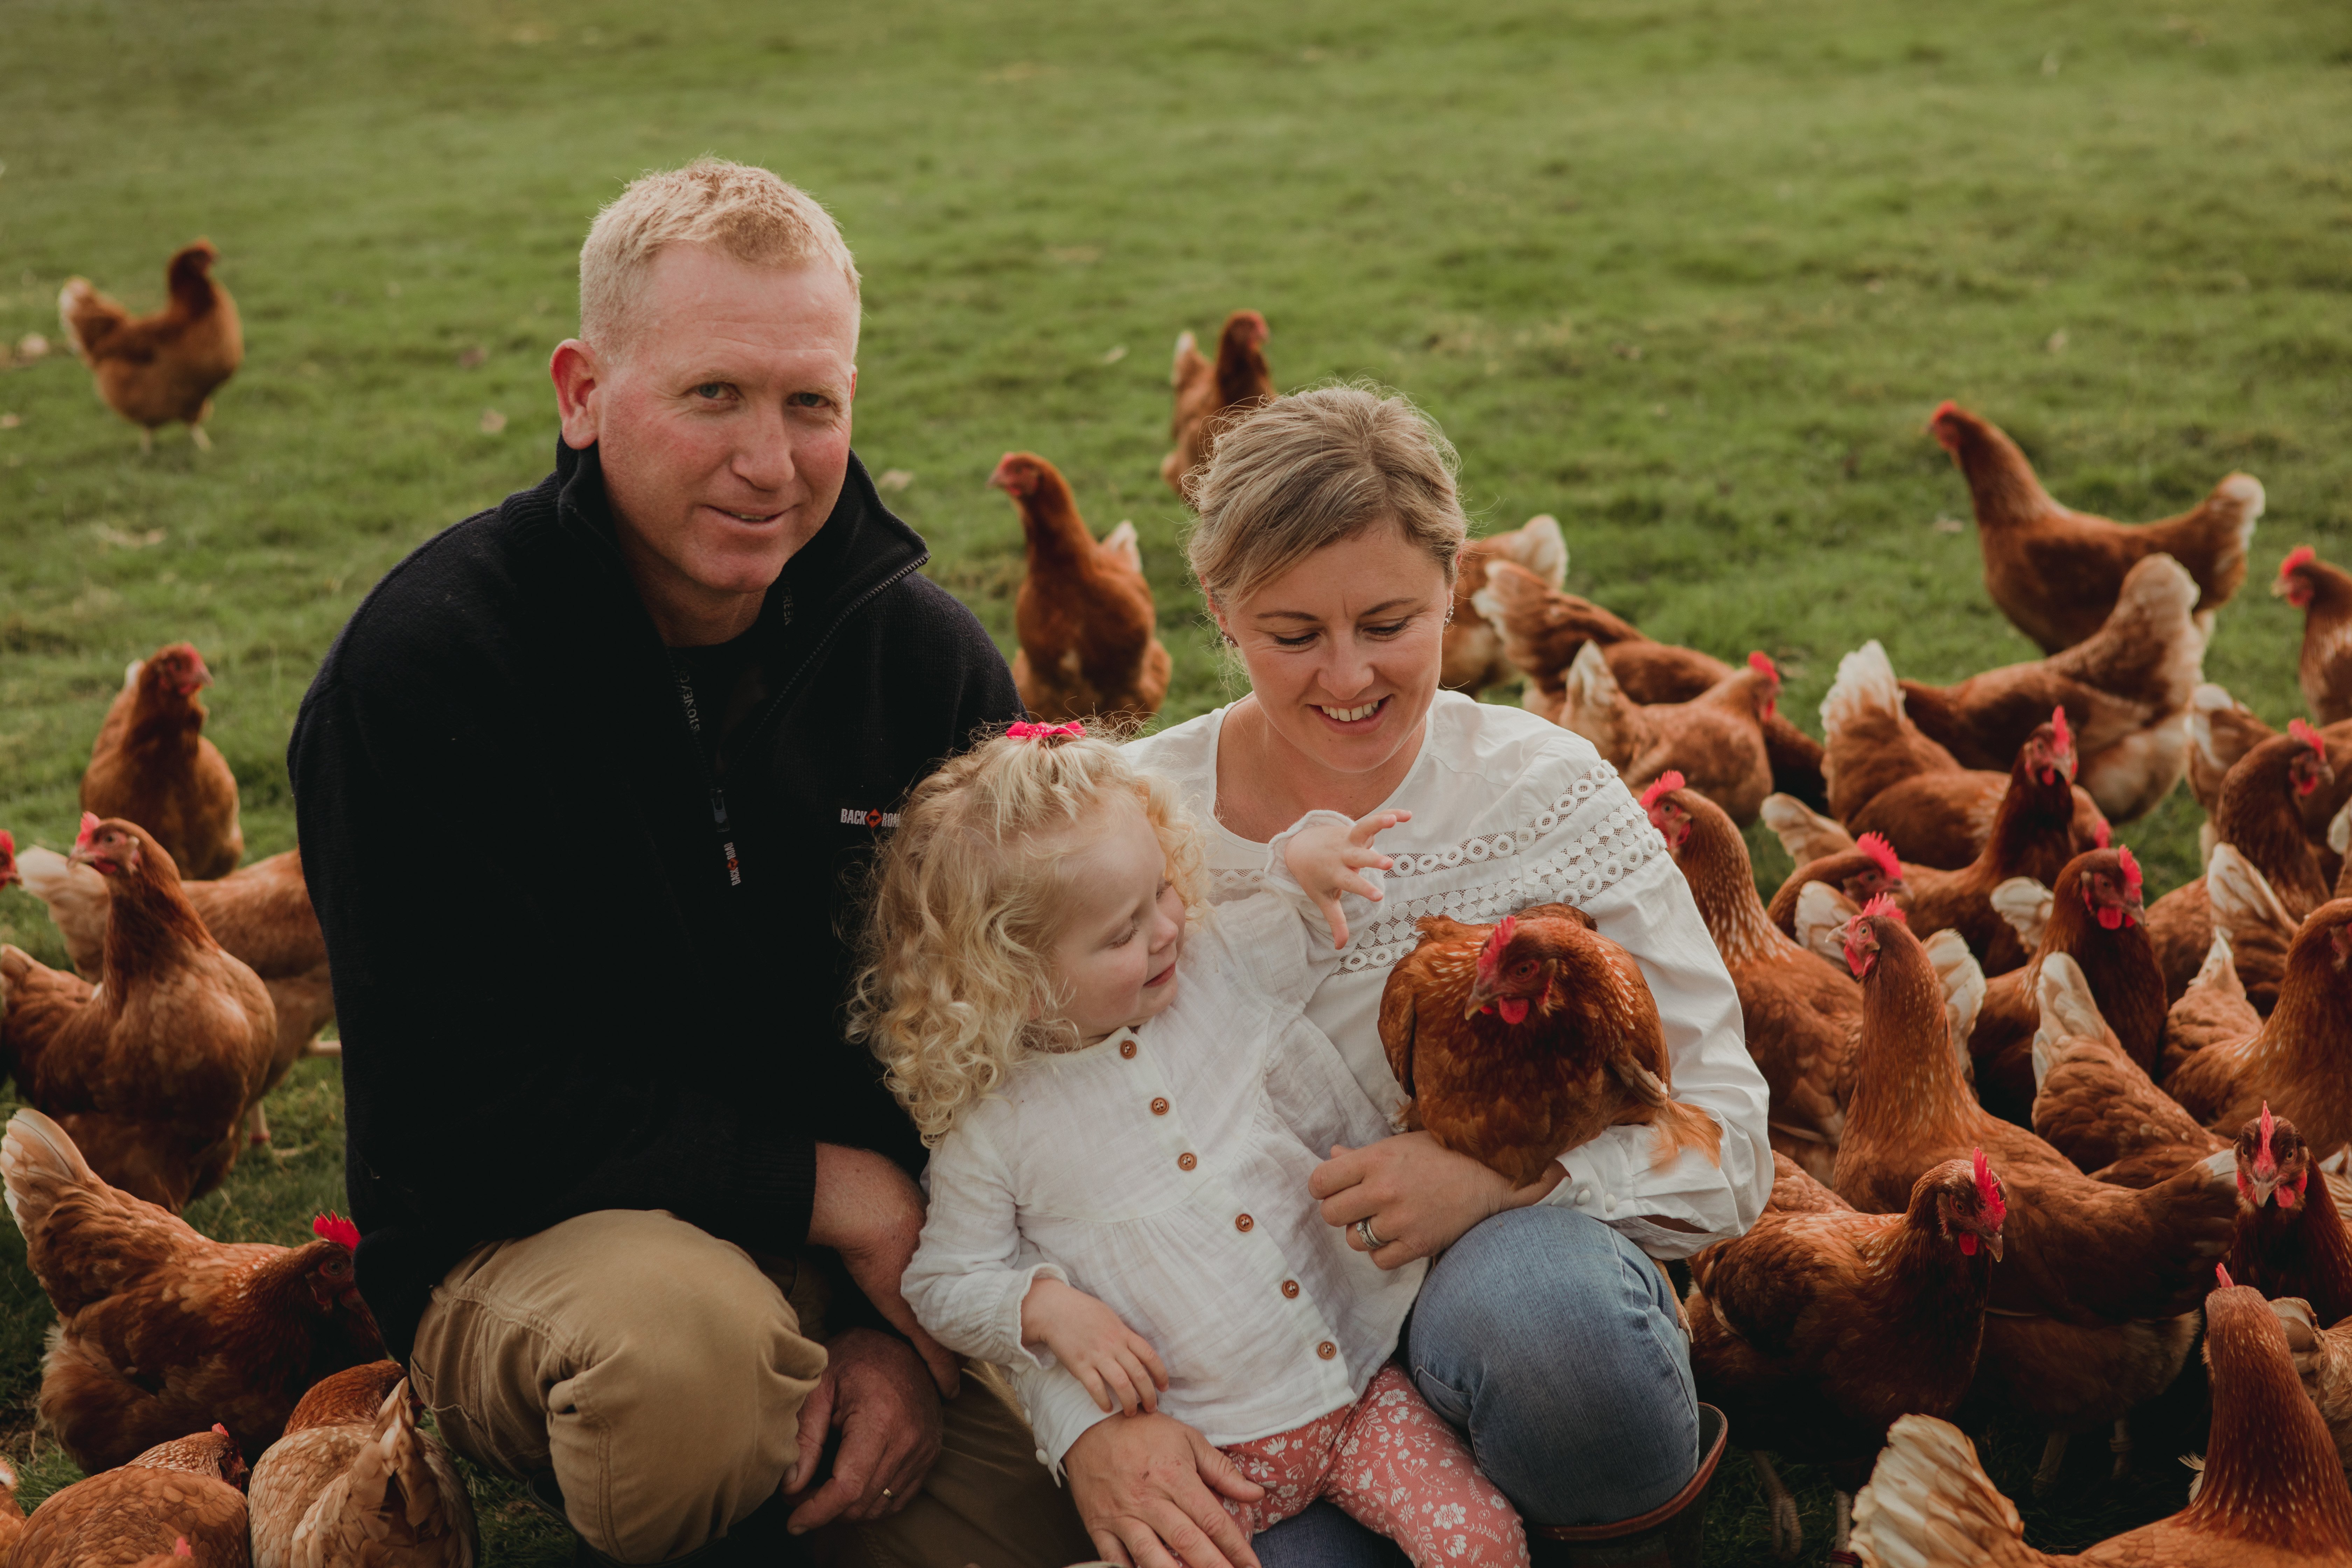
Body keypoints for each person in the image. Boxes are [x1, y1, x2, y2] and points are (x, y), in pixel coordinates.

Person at [289, 159, 1094, 1567]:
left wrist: (899, 1332)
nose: (769, 460)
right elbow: (467, 1100)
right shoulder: (426, 674)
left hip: (886, 1255)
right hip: (547, 1240)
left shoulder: (923, 664)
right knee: (689, 1374)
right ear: (583, 393)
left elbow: (1009, 1026)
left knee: (1078, 1427)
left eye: (811, 403)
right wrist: (842, 1193)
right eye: (713, 394)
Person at [1053, 386, 1773, 1566]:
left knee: (1550, 1325)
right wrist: (1085, 1421)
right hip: (1241, 1370)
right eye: (1293, 635)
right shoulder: (1130, 824)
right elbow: (1014, 1147)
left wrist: (1498, 1189)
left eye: (1390, 622)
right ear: (1220, 614)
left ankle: (1606, 1518)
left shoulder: (1544, 790)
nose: (1347, 678)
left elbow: (1732, 1141)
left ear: (1452, 587)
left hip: (1503, 1305)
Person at [854, 723, 1529, 1566]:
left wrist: (1305, 862)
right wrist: (1046, 1307)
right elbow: (945, 1279)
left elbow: (1289, 911)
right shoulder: (994, 1130)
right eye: (1122, 932)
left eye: (1163, 892)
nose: (1169, 927)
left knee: (1482, 1541)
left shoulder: (1215, 967)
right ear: (1015, 983)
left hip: (1360, 1387)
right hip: (1204, 1462)